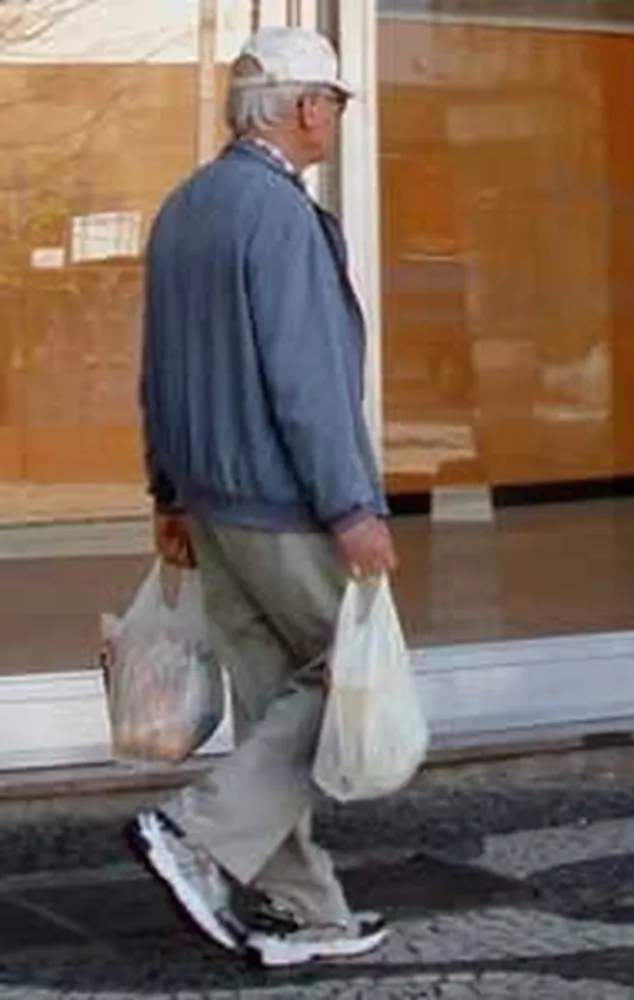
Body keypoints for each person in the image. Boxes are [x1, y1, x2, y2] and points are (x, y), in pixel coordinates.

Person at [132, 25, 398, 969]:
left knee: (269, 696)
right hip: (285, 504)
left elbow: (157, 366)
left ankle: (304, 909)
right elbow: (309, 380)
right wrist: (353, 508)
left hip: (210, 501)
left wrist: (168, 492)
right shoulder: (281, 216)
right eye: (333, 103)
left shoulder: (187, 206)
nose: (333, 121)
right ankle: (199, 833)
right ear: (304, 107)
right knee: (347, 676)